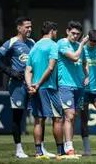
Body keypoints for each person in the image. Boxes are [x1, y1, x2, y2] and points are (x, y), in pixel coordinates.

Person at [0, 17, 51, 158]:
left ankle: (41, 148)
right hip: (17, 86)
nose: (29, 29)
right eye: (26, 27)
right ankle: (18, 149)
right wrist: (9, 71)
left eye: (30, 26)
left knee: (39, 117)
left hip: (33, 85)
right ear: (19, 28)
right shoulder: (11, 42)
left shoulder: (32, 43)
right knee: (18, 117)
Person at [25, 21, 65, 159]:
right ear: (52, 31)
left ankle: (38, 152)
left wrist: (31, 85)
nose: (56, 34)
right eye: (56, 31)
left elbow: (28, 69)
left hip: (35, 88)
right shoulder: (54, 45)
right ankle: (61, 151)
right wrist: (39, 84)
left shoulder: (34, 46)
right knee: (58, 118)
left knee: (38, 120)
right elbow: (50, 67)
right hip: (48, 88)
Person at [57, 21, 88, 156]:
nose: (75, 36)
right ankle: (69, 147)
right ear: (67, 31)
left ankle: (68, 145)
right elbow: (75, 57)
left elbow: (85, 63)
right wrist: (82, 44)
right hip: (65, 85)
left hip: (79, 86)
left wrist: (86, 75)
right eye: (73, 33)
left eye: (78, 34)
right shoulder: (62, 43)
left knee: (73, 116)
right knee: (69, 115)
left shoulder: (80, 47)